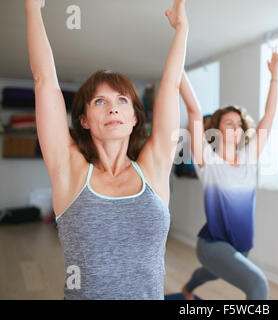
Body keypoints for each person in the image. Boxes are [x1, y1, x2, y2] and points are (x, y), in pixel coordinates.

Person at [25, 0, 189, 299]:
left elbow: (170, 84)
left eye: (122, 100)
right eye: (100, 101)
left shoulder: (153, 166)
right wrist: (32, 9)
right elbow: (44, 81)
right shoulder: (71, 171)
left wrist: (182, 29)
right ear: (84, 120)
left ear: (136, 117)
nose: (113, 108)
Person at [180, 47, 278, 300]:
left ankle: (187, 289)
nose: (236, 128)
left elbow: (268, 116)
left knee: (211, 273)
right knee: (258, 285)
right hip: (212, 245)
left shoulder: (249, 158)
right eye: (229, 123)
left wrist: (274, 74)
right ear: (216, 129)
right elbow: (194, 111)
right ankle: (190, 287)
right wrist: (178, 69)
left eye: (239, 124)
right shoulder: (208, 160)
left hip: (242, 246)